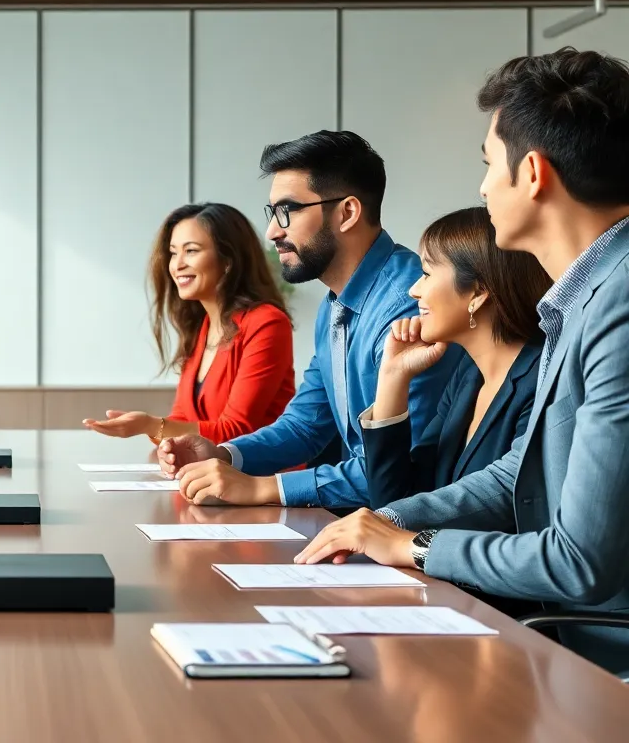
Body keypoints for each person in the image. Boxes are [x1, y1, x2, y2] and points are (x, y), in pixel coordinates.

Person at [295, 48, 629, 675]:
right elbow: (515, 474)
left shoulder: (619, 302)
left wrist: (414, 546)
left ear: (532, 173)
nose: (481, 187)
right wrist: (385, 520)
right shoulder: (584, 294)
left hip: (597, 664)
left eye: (487, 163)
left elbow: (578, 563)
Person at [157, 131, 461, 509]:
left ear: (347, 213)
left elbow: (398, 470)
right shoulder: (334, 306)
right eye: (272, 213)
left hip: (407, 531)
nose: (271, 231)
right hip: (361, 522)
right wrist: (223, 454)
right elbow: (305, 426)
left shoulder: (408, 305)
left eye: (288, 210)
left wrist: (264, 489)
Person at [360, 207, 549, 509]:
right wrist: (393, 377)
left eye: (426, 274)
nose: (413, 291)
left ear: (477, 291)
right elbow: (394, 502)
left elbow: (508, 516)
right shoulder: (468, 374)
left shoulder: (543, 379)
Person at [83, 203, 295, 444]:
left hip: (258, 477)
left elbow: (236, 430)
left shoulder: (266, 323)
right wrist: (161, 439)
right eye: (173, 253)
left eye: (191, 251)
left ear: (228, 260)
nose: (177, 264)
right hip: (209, 473)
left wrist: (149, 425)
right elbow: (182, 418)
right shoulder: (202, 326)